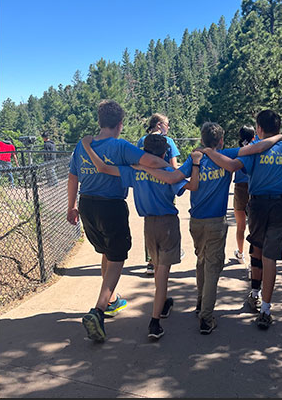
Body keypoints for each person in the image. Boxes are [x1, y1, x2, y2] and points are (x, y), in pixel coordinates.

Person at [142, 121, 282, 334]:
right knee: (212, 268)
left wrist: (142, 168)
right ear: (220, 140)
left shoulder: (195, 159)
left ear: (202, 140)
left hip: (196, 222)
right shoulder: (225, 155)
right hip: (216, 222)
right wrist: (278, 138)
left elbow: (174, 178)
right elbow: (256, 147)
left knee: (201, 262)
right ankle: (206, 317)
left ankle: (201, 302)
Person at [67, 99, 169, 343]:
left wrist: (71, 206)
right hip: (110, 206)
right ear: (120, 124)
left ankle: (111, 300)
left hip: (87, 204)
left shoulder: (84, 146)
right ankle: (98, 311)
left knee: (106, 252)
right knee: (117, 258)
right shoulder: (120, 146)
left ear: (100, 122)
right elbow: (151, 161)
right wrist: (173, 169)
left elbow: (73, 176)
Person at [81, 133, 201, 340]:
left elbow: (103, 167)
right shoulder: (167, 170)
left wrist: (88, 148)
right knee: (163, 272)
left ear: (144, 152)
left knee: (156, 267)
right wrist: (196, 166)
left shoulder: (134, 171)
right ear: (165, 153)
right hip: (167, 224)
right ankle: (155, 321)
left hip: (148, 225)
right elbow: (191, 186)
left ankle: (162, 303)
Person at [198, 110, 282, 331]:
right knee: (271, 257)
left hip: (257, 205)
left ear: (259, 128)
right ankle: (266, 309)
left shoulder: (255, 149)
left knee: (256, 250)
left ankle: (255, 294)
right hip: (280, 205)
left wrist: (206, 152)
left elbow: (232, 166)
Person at [137, 113, 181, 276]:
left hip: (146, 185)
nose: (168, 128)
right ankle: (164, 258)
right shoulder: (167, 142)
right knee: (166, 220)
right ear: (158, 125)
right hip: (164, 185)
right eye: (166, 124)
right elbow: (174, 165)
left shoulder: (142, 140)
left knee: (150, 224)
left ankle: (150, 260)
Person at [232, 125, 255, 271]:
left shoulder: (237, 151)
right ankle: (255, 258)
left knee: (241, 225)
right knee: (254, 226)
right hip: (254, 187)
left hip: (240, 187)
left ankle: (241, 253)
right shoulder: (257, 149)